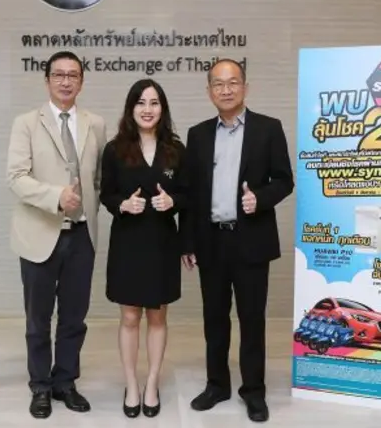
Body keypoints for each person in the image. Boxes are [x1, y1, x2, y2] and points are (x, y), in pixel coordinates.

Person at [181, 58, 294, 423]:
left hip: (251, 241)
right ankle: (217, 385)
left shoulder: (268, 129)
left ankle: (254, 391)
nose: (226, 90)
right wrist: (187, 242)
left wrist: (259, 198)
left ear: (245, 87)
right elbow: (190, 193)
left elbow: (284, 180)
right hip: (211, 242)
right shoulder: (198, 135)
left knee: (251, 320)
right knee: (214, 319)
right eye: (218, 83)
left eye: (232, 82)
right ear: (209, 91)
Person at [6, 50, 108, 419]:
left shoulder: (96, 124)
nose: (66, 81)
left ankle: (65, 381)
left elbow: (99, 179)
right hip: (39, 233)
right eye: (59, 75)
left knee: (74, 317)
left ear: (82, 81)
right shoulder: (26, 123)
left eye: (73, 75)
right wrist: (56, 197)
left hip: (82, 235)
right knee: (38, 319)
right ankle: (40, 386)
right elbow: (16, 177)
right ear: (47, 79)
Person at [99, 79, 187, 418]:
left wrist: (173, 201)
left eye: (154, 103)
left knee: (157, 315)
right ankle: (131, 384)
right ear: (130, 108)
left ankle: (151, 383)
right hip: (128, 242)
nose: (147, 109)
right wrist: (122, 205)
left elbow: (189, 194)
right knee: (130, 316)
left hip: (162, 242)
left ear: (162, 109)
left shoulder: (175, 150)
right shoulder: (115, 149)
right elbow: (106, 193)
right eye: (140, 102)